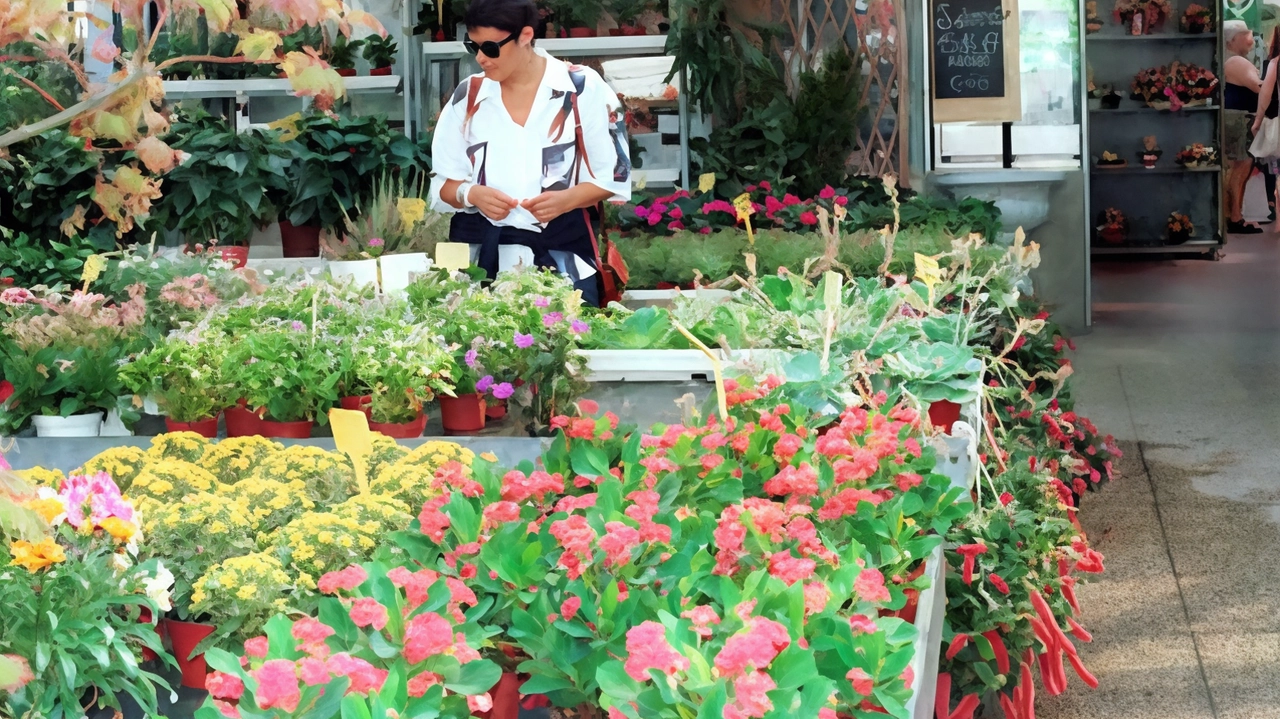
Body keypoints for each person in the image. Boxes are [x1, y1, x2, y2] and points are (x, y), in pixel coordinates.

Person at [429, 0, 631, 305]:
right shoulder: (467, 96)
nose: (482, 58)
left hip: (566, 268)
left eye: (491, 48)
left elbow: (613, 175)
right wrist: (472, 194)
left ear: (525, 36)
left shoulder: (581, 89)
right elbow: (442, 184)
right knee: (484, 349)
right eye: (473, 47)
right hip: (482, 270)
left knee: (568, 348)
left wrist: (565, 201)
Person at [1225, 21, 1264, 233]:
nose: (1251, 39)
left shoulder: (1236, 61)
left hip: (1239, 118)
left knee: (1241, 168)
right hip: (1240, 120)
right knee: (1241, 168)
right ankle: (1235, 216)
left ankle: (1236, 214)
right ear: (1234, 39)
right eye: (1246, 34)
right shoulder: (1236, 61)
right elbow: (1257, 86)